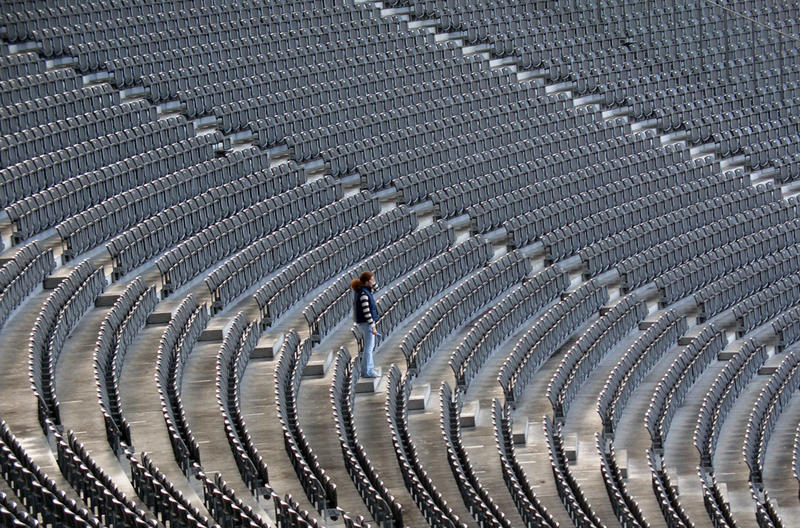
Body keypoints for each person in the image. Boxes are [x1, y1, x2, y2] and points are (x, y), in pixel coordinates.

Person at [351, 271, 379, 378]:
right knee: (368, 348)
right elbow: (367, 313)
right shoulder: (363, 294)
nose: (373, 281)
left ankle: (368, 370)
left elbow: (377, 289)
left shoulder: (365, 291)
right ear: (367, 282)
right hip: (367, 324)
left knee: (369, 347)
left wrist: (373, 283)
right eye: (372, 280)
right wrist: (373, 326)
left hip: (367, 323)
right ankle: (367, 371)